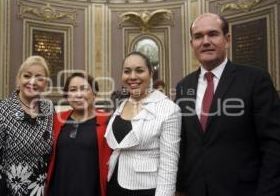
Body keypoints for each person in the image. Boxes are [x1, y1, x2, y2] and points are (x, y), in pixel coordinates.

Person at [175, 13, 280, 196]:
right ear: (192, 44)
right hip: (195, 189)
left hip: (243, 190)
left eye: (213, 34)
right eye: (198, 36)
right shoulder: (184, 86)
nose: (205, 41)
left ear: (227, 39)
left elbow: (274, 143)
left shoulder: (255, 79)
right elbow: (184, 143)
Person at [105, 51, 181, 196]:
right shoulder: (121, 104)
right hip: (114, 183)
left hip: (146, 189)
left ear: (151, 73)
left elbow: (169, 164)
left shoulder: (169, 109)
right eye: (127, 71)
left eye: (139, 70)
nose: (132, 76)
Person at [0, 55, 53, 196]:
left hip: (43, 191)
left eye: (39, 77)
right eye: (27, 76)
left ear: (46, 84)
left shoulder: (49, 110)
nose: (33, 81)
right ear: (19, 80)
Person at [46, 72, 111, 196]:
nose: (78, 94)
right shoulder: (56, 120)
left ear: (95, 92)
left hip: (91, 190)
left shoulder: (107, 122)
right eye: (73, 90)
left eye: (84, 89)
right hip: (59, 190)